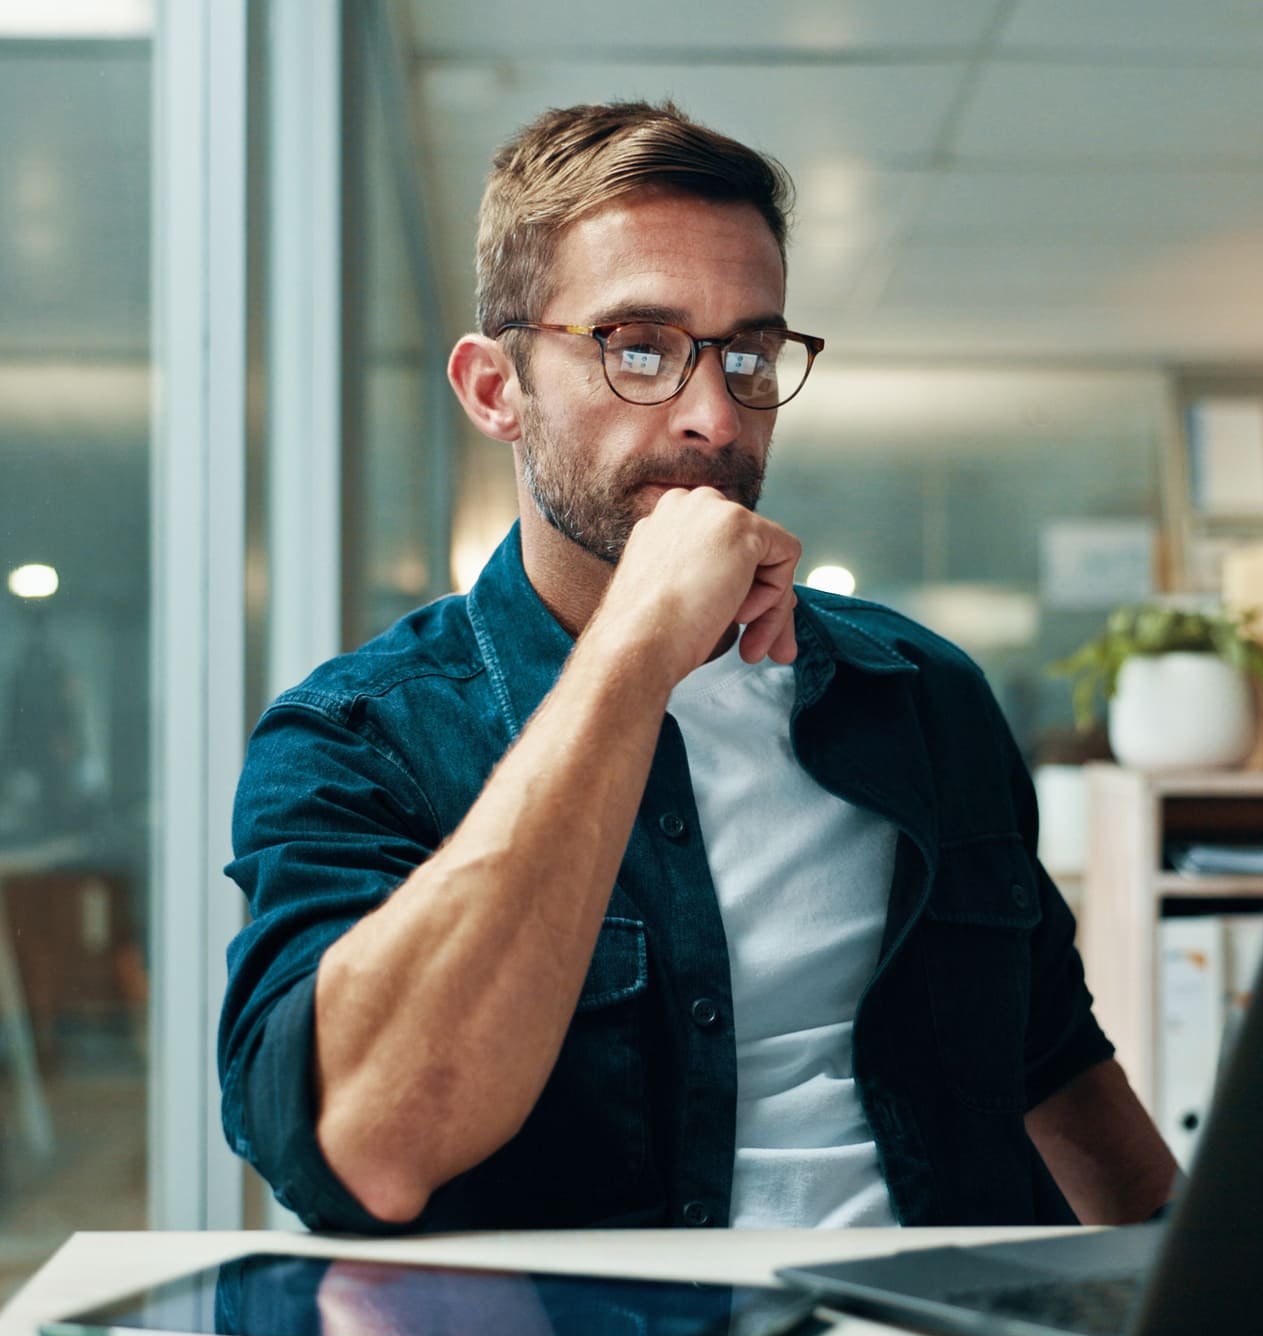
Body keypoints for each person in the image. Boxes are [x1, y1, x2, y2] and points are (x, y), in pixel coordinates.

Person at [219, 100, 1176, 1235]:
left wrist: (1207, 1312)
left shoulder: (926, 694)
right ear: (496, 390)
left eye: (751, 355)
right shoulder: (354, 736)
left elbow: (1055, 1066)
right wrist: (637, 649)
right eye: (639, 350)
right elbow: (371, 1144)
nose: (714, 417)